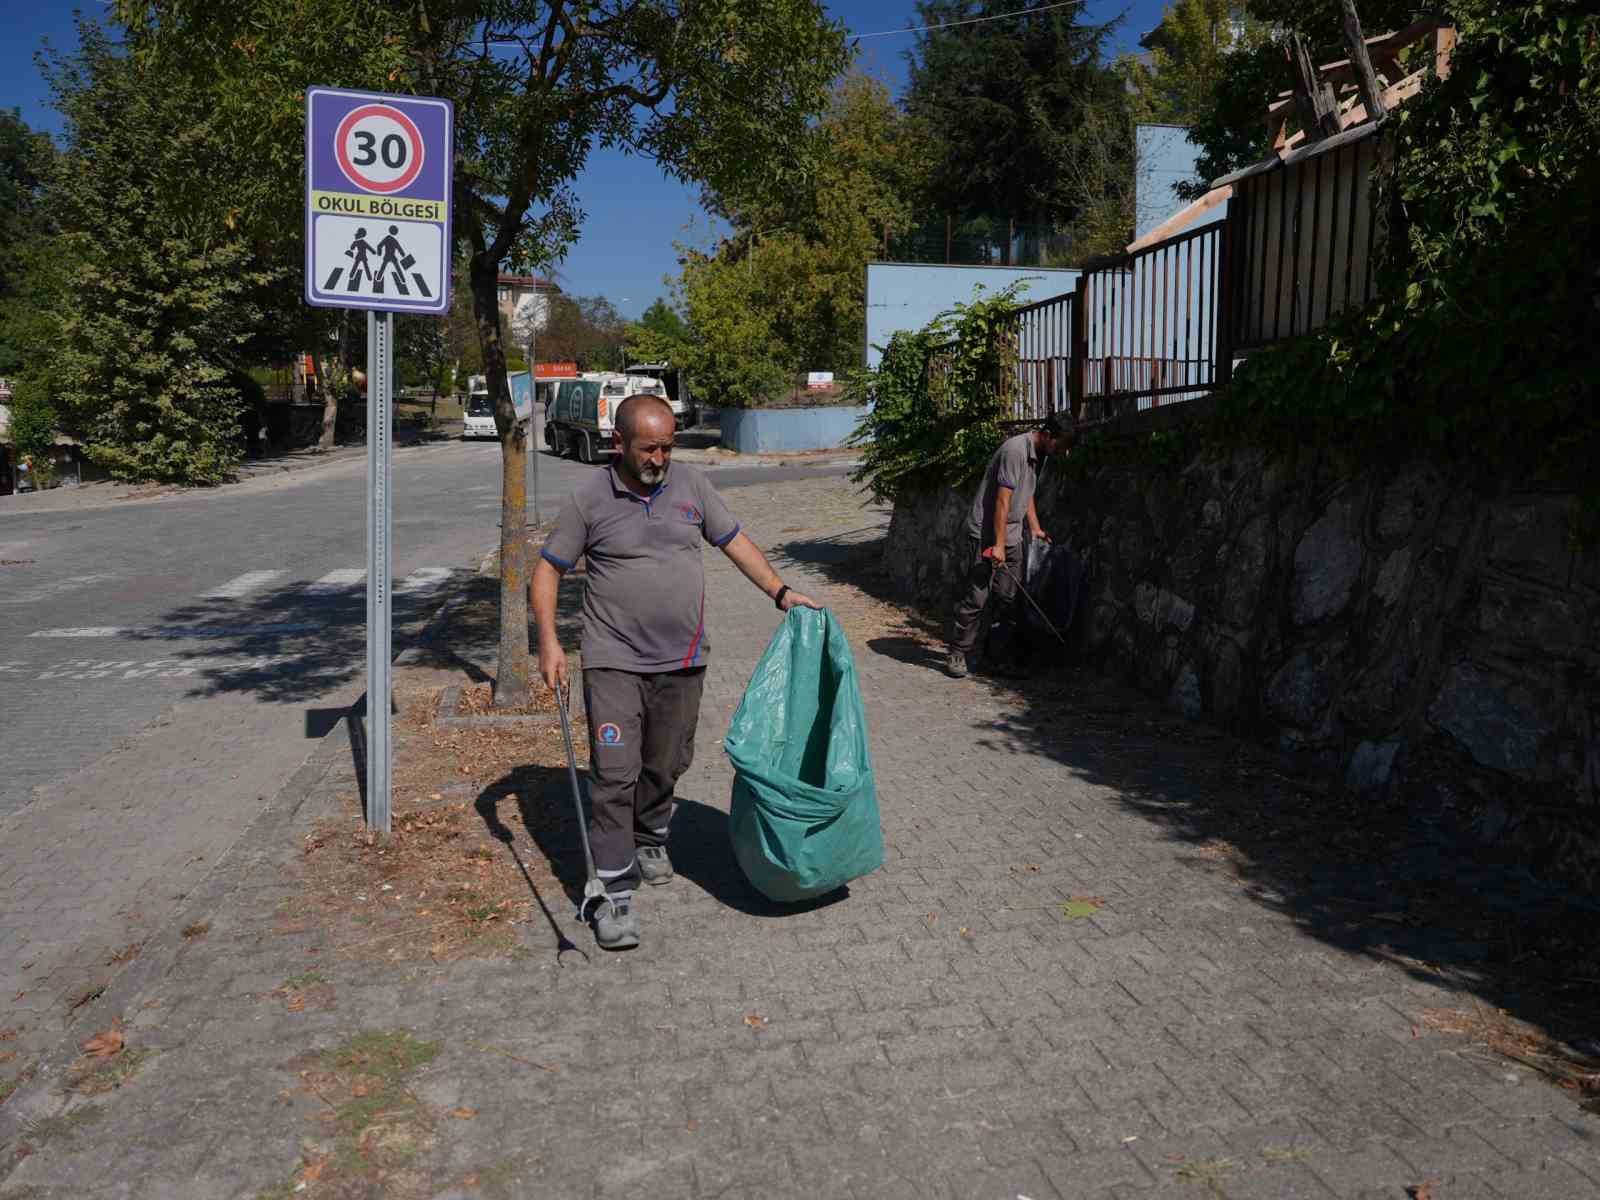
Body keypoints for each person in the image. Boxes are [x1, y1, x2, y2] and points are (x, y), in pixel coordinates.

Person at [532, 394, 822, 949]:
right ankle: (613, 893)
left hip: (684, 659)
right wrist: (549, 643)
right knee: (614, 775)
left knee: (667, 763)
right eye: (649, 449)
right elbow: (548, 570)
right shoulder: (589, 498)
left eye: (667, 447)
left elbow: (734, 542)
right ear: (619, 442)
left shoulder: (692, 486)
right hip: (613, 659)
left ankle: (650, 836)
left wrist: (781, 592)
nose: (660, 459)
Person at [946, 411, 1075, 679]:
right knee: (977, 597)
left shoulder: (1040, 455)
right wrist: (998, 545)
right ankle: (957, 653)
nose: (1062, 452)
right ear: (1047, 435)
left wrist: (1035, 528)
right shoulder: (1015, 451)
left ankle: (995, 658)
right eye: (1060, 445)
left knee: (1007, 599)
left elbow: (1026, 493)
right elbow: (1002, 501)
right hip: (986, 534)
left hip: (1012, 535)